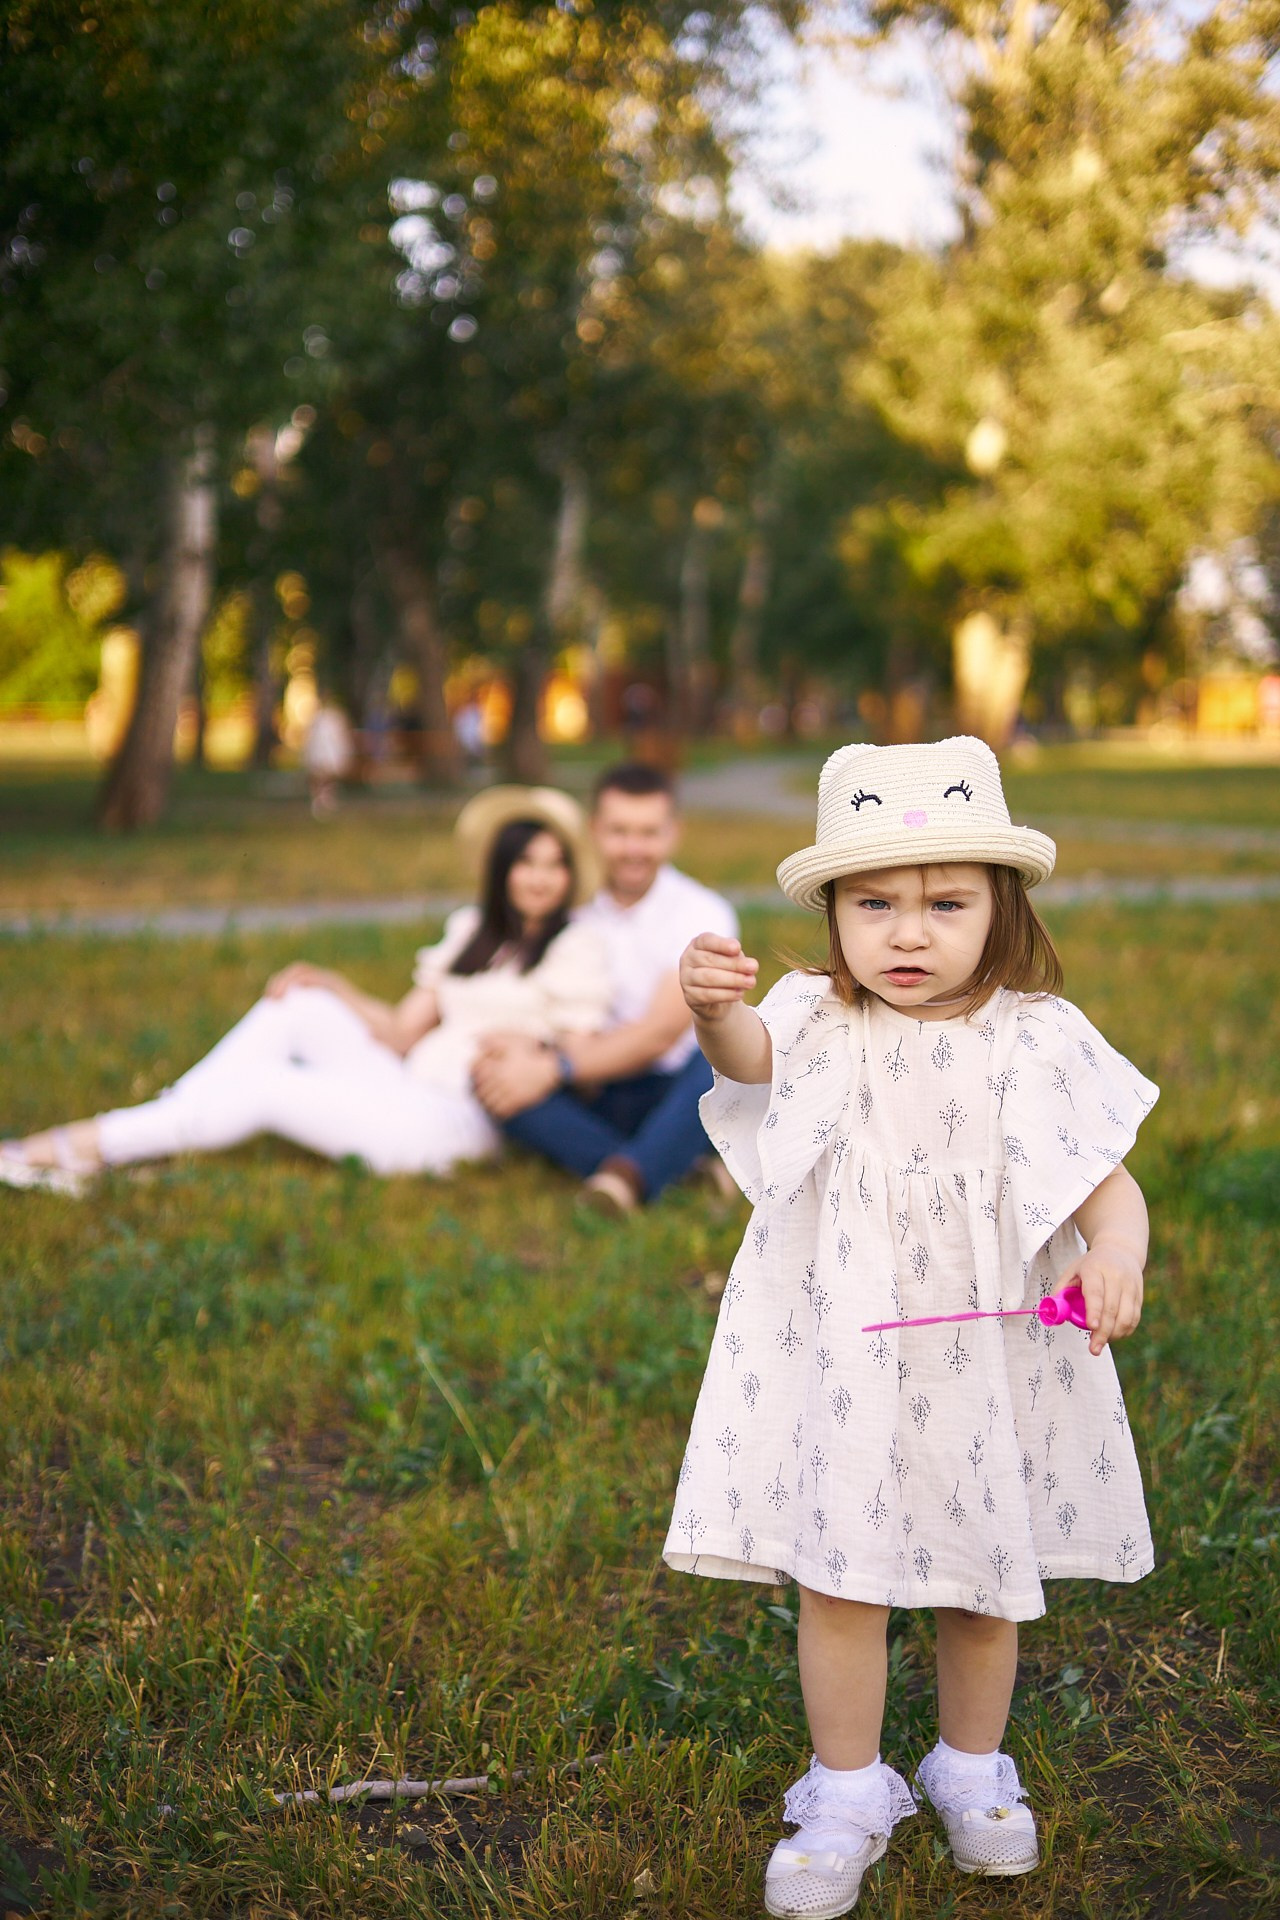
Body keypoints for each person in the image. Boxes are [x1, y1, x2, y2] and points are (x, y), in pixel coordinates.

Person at [668, 736, 1158, 1918]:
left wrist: (1116, 1251)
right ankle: (845, 1787)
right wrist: (709, 1011)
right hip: (843, 1349)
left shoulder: (1033, 1036)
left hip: (986, 1356)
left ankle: (969, 1765)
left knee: (982, 1570)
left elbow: (1106, 1181)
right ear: (832, 912)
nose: (906, 933)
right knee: (843, 1570)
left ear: (1001, 909)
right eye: (873, 903)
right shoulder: (815, 1020)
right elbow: (749, 1067)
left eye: (945, 904)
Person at [0, 790, 609, 1194]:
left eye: (554, 864)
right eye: (525, 862)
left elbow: (580, 1064)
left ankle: (68, 1148)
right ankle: (162, 1124)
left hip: (460, 1122)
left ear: (569, 875)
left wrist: (535, 1045)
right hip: (407, 1082)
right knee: (299, 1003)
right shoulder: (472, 932)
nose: (539, 877)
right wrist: (334, 984)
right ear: (501, 870)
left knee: (268, 1088)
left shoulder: (577, 948)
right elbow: (400, 1030)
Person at [471, 761, 739, 1214]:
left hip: (676, 1086)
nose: (633, 848)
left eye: (649, 832)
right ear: (594, 830)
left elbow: (659, 1033)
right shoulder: (571, 910)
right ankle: (675, 1167)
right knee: (495, 1077)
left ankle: (624, 1177)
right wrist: (531, 1049)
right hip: (595, 1084)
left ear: (673, 833)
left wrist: (554, 1068)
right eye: (619, 831)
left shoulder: (702, 913)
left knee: (716, 1067)